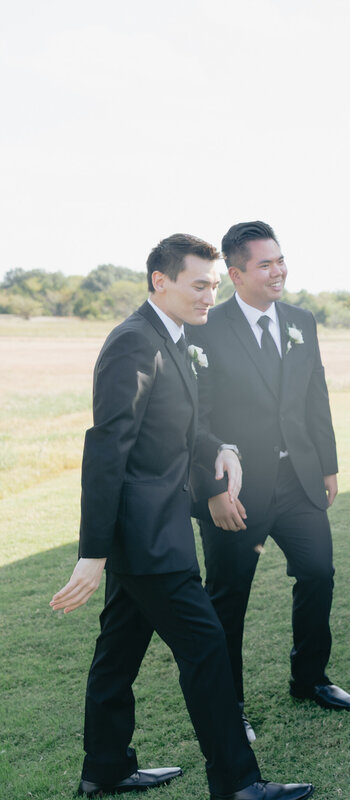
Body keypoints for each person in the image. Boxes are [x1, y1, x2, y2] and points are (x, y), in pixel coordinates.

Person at [51, 233, 313, 800]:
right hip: (147, 539)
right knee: (206, 649)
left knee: (118, 652)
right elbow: (107, 451)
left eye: (214, 285)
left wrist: (221, 446)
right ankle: (238, 783)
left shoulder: (172, 338)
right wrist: (92, 554)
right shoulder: (132, 344)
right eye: (199, 285)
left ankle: (105, 768)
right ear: (159, 281)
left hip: (150, 532)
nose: (208, 297)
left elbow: (185, 422)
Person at [188, 221, 350, 745]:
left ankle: (309, 678)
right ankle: (229, 704)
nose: (278, 270)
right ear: (235, 274)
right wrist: (214, 490)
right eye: (265, 264)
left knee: (318, 573)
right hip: (235, 489)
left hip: (300, 480)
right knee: (228, 597)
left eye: (280, 260)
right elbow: (196, 417)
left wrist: (326, 465)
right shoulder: (205, 328)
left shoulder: (301, 320)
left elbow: (316, 398)